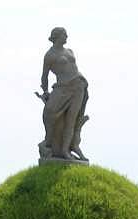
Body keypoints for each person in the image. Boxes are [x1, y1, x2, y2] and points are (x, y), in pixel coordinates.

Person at [38, 27, 89, 161]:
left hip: (78, 85)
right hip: (63, 88)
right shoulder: (50, 55)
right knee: (49, 112)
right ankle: (49, 144)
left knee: (71, 119)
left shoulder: (69, 51)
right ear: (57, 36)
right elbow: (44, 76)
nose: (67, 37)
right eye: (64, 35)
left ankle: (66, 150)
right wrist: (45, 91)